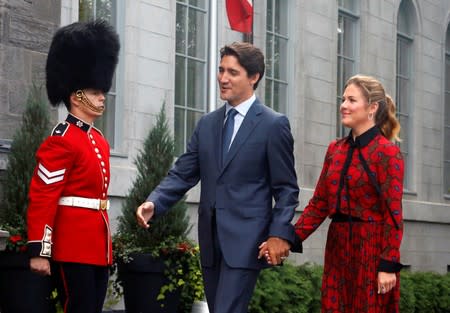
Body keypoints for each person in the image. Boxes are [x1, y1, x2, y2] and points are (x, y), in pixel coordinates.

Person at [136, 42, 299, 313]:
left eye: (232, 72)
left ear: (254, 77)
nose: (223, 78)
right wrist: (155, 202)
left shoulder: (273, 125)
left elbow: (286, 189)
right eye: (221, 70)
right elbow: (183, 172)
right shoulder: (207, 124)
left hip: (247, 242)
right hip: (211, 242)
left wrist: (280, 234)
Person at [261, 74, 404, 312]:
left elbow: (393, 214)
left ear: (372, 108)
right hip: (338, 247)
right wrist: (288, 237)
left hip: (371, 248)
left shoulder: (387, 153)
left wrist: (388, 264)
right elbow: (319, 204)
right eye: (343, 99)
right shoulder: (335, 150)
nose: (344, 105)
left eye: (351, 100)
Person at [26, 20, 120, 313]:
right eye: (95, 91)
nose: (102, 96)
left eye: (101, 90)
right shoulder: (61, 140)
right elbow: (44, 196)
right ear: (75, 94)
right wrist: (40, 250)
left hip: (97, 247)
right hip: (71, 245)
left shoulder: (99, 141)